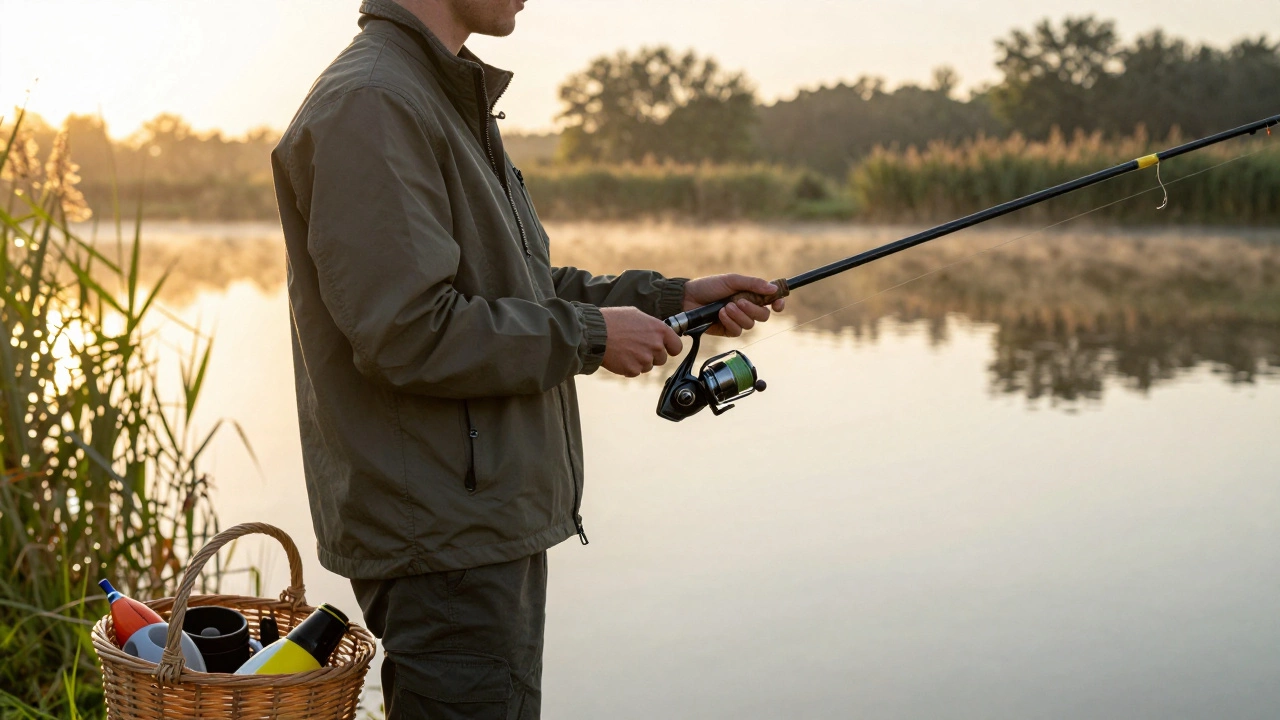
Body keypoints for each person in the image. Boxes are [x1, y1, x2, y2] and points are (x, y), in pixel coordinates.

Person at [271, 0, 784, 716]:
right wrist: (592, 337)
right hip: (445, 534)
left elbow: (518, 285)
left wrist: (674, 296)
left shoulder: (433, 94)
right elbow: (408, 331)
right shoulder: (374, 103)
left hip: (473, 520)